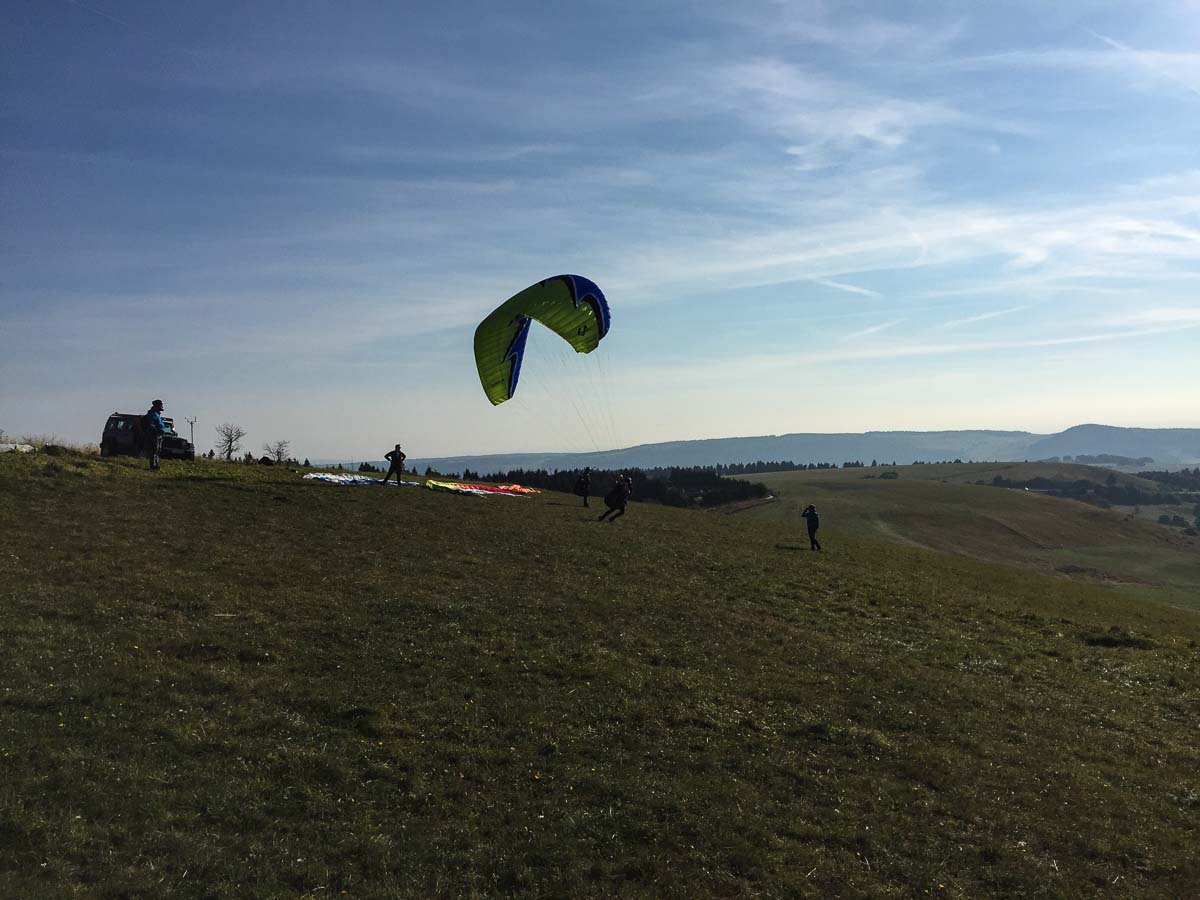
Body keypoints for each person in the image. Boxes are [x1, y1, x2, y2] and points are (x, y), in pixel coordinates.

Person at [143, 399, 167, 470]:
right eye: (160, 405)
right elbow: (150, 424)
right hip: (154, 435)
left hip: (159, 435)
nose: (162, 406)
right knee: (154, 450)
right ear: (156, 406)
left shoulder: (157, 414)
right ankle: (153, 466)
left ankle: (156, 465)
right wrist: (157, 430)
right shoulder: (152, 414)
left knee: (157, 451)